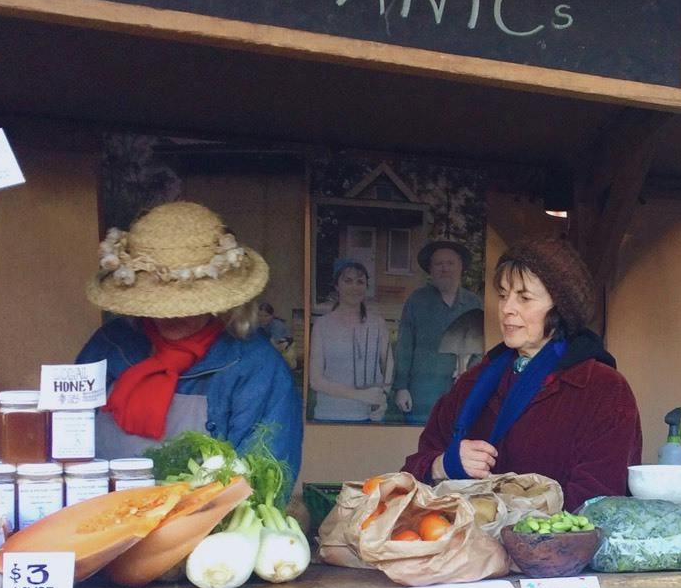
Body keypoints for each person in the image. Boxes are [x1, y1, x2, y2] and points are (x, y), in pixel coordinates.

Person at [402, 239, 642, 510]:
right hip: (466, 537)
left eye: (524, 298)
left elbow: (599, 502)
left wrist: (509, 518)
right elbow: (411, 473)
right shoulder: (473, 382)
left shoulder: (602, 389)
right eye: (503, 295)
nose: (506, 308)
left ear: (561, 307)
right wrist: (442, 465)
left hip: (553, 539)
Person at [76, 200, 303, 483]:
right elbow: (64, 441)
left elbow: (261, 481)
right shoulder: (109, 345)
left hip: (207, 513)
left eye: (184, 306)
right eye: (158, 304)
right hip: (94, 509)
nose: (171, 316)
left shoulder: (257, 367)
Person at [393, 240, 483, 424]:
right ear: (430, 269)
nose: (445, 268)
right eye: (439, 264)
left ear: (460, 267)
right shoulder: (417, 301)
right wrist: (401, 387)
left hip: (460, 392)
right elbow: (404, 346)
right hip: (422, 393)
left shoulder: (472, 302)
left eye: (450, 263)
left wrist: (469, 374)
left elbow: (479, 349)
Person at [308, 260, 394, 422]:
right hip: (331, 415)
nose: (354, 287)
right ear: (337, 285)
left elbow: (388, 364)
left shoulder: (377, 323)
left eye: (360, 282)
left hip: (369, 417)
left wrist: (383, 396)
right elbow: (315, 380)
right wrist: (360, 395)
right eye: (348, 281)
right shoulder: (323, 324)